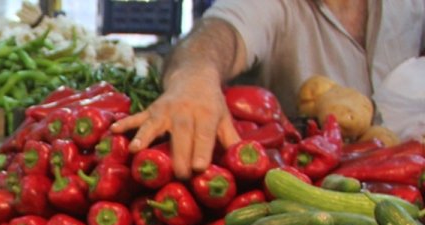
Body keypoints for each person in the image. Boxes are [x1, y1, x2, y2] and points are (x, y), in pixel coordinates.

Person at [111, 0, 425, 179]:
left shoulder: (406, 7)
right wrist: (194, 78)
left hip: (406, 187)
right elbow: (217, 31)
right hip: (306, 193)